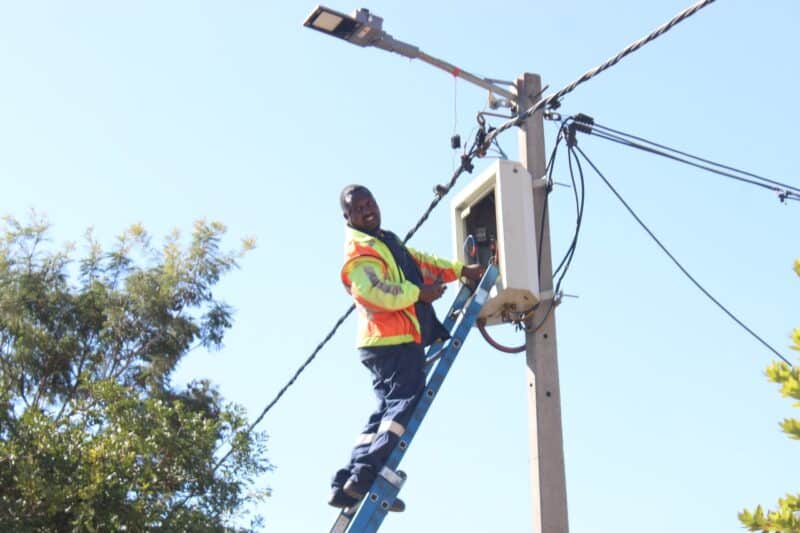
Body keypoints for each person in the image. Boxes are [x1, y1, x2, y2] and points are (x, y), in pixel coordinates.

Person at [329, 184, 484, 512]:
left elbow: (422, 264)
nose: (367, 210)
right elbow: (373, 292)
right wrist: (417, 294)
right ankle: (368, 475)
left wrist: (461, 271)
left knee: (385, 411)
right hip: (391, 342)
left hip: (389, 343)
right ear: (348, 217)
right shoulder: (360, 252)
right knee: (403, 405)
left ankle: (350, 480)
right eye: (358, 208)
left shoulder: (386, 242)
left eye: (370, 202)